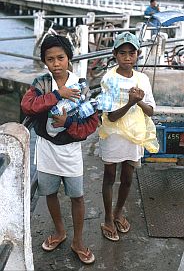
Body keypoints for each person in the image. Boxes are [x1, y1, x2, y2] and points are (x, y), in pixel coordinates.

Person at [21, 34, 98, 264]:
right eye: (50, 59)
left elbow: (91, 123)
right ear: (45, 61)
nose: (56, 64)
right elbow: (27, 106)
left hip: (71, 150)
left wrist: (67, 124)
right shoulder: (42, 83)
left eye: (61, 58)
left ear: (69, 58)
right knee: (50, 192)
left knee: (77, 195)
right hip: (46, 148)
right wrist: (57, 95)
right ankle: (60, 231)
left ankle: (78, 240)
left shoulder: (80, 87)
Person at [97, 32, 157, 241]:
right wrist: (130, 102)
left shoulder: (142, 79)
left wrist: (138, 101)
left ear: (137, 55)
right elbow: (111, 117)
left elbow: (150, 111)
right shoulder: (108, 79)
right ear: (115, 55)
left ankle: (118, 212)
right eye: (122, 53)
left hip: (135, 134)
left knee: (128, 177)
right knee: (109, 176)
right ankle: (107, 217)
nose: (127, 57)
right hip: (113, 134)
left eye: (131, 53)